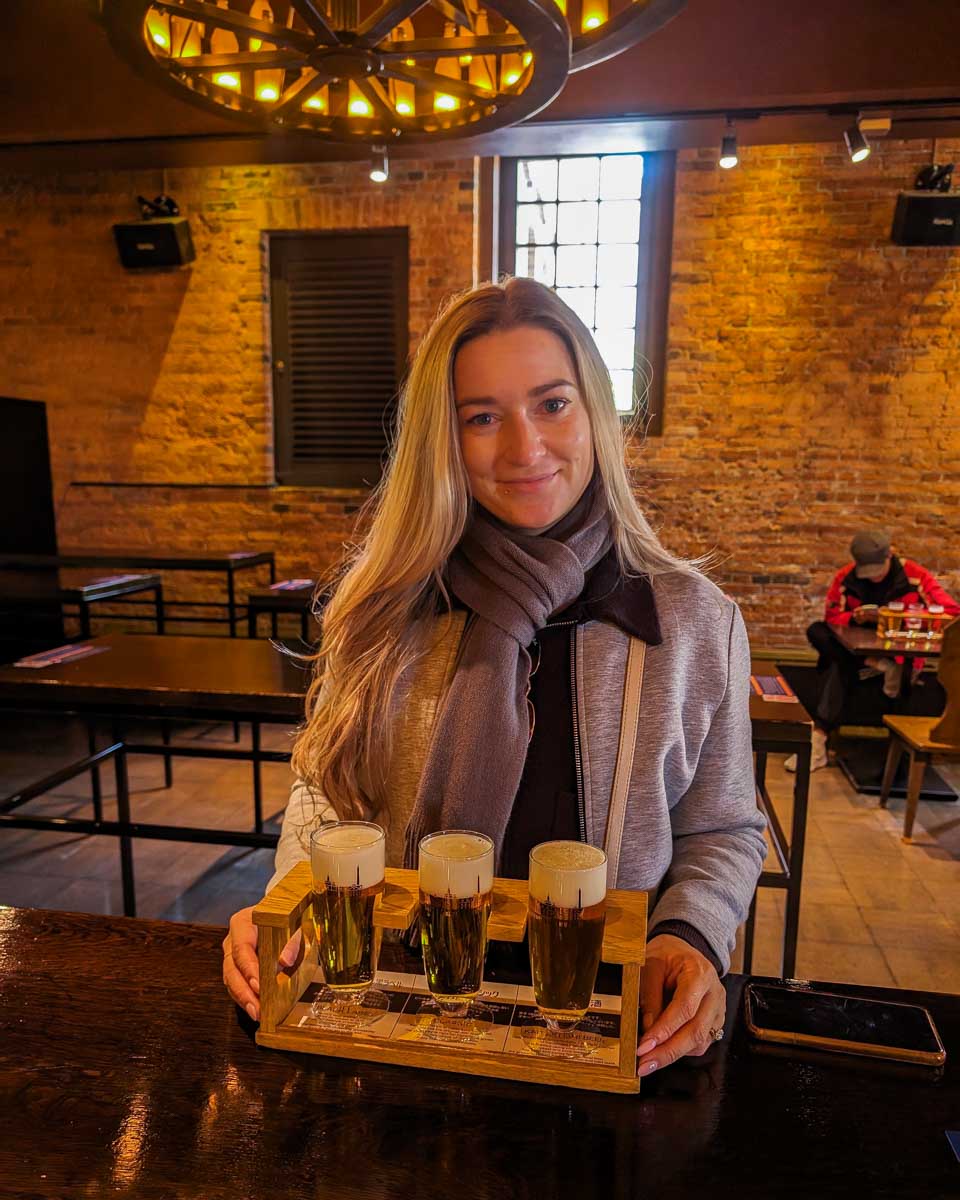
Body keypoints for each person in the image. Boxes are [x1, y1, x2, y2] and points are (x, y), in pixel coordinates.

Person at [223, 277, 767, 1076]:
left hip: (608, 1034)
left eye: (552, 404)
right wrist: (285, 903)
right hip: (393, 1020)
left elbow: (723, 827)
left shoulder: (694, 621)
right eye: (482, 417)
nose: (523, 448)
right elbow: (325, 790)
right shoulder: (386, 606)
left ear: (598, 412)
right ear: (442, 440)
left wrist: (691, 936)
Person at [787, 530, 960, 772]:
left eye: (878, 569)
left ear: (890, 554)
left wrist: (898, 616)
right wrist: (856, 617)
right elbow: (832, 616)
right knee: (817, 631)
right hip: (857, 651)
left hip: (897, 652)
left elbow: (950, 613)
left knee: (839, 668)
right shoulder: (846, 578)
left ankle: (822, 739)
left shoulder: (915, 577)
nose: (874, 577)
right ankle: (875, 665)